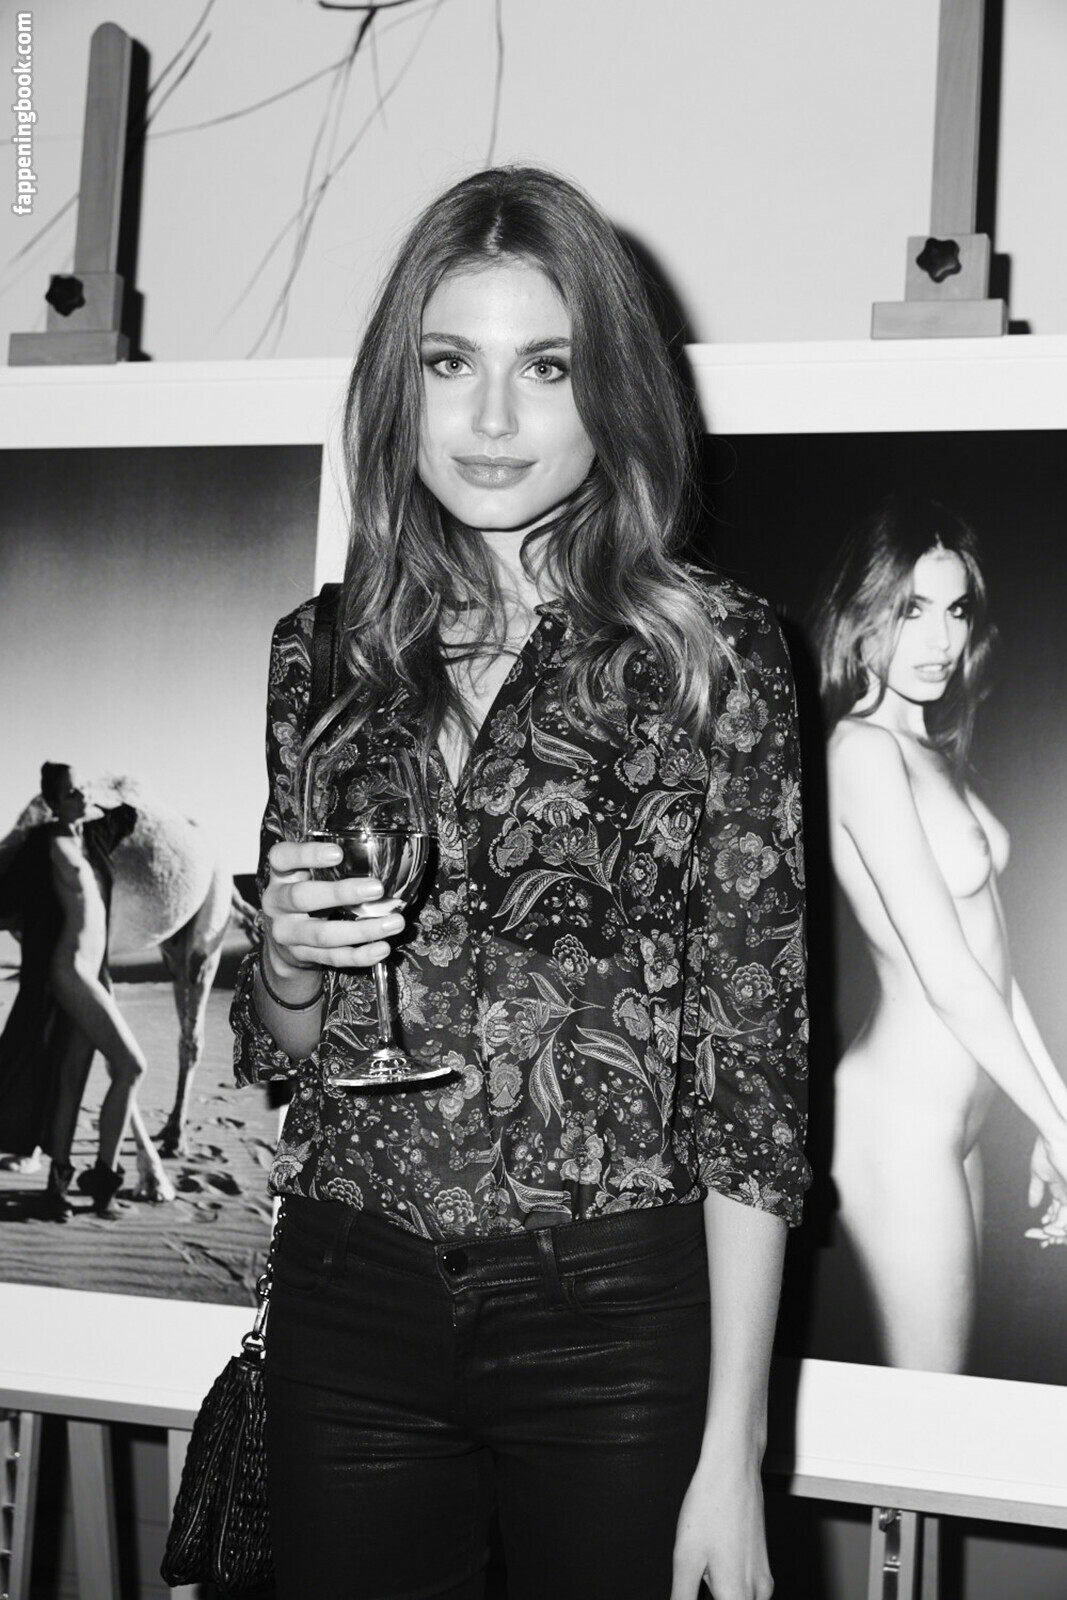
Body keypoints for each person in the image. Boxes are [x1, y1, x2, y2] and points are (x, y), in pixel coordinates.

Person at [232, 166, 808, 1600]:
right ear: (400, 386)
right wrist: (285, 964)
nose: (490, 418)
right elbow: (289, 1052)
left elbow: (751, 1079)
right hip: (349, 1290)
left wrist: (732, 1451)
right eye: (450, 363)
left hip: (610, 1313)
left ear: (610, 390)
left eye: (543, 367)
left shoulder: (710, 656)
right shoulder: (323, 652)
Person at [812, 497, 1067, 1373]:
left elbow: (993, 968)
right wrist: (1057, 1125)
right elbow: (946, 973)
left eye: (954, 609)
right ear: (862, 614)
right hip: (897, 1118)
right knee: (929, 1403)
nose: (939, 638)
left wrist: (1054, 1113)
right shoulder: (859, 751)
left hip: (960, 1110)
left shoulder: (931, 750)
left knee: (946, 1392)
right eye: (910, 609)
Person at [0, 764, 171, 1219]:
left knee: (71, 1079)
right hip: (67, 971)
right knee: (131, 1065)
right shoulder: (42, 843)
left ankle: (62, 1189)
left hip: (94, 974)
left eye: (81, 790)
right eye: (71, 791)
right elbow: (6, 897)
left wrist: (107, 791)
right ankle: (102, 1178)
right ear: (53, 802)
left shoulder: (93, 838)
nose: (81, 796)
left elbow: (127, 816)